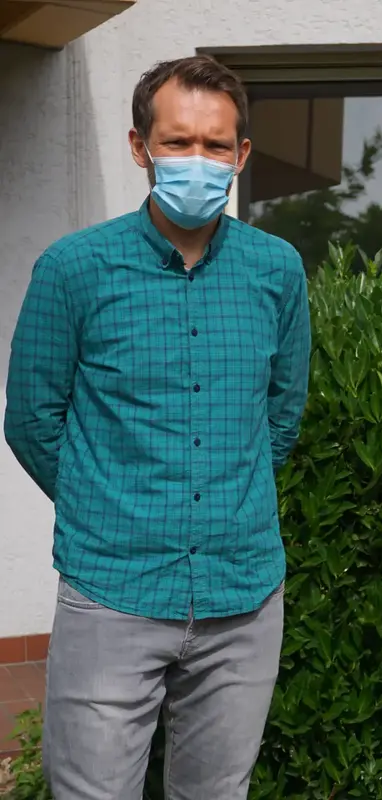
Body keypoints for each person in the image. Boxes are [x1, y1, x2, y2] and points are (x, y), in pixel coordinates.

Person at [3, 55, 310, 799]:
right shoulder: (74, 269)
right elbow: (33, 418)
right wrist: (105, 505)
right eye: (177, 143)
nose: (196, 161)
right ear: (140, 147)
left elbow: (282, 411)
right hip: (112, 589)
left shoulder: (278, 270)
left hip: (242, 594)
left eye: (214, 146)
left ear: (241, 156)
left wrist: (227, 499)